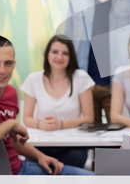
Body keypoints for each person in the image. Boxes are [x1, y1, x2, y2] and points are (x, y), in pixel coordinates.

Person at [0, 35, 93, 175]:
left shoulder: (10, 93)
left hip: (19, 169)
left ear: (14, 65)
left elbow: (9, 139)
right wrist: (10, 124)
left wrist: (40, 156)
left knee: (93, 178)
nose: (2, 70)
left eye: (8, 63)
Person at [21, 35, 95, 168]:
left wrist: (61, 124)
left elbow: (89, 118)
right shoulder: (33, 79)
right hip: (40, 145)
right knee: (32, 163)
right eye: (55, 52)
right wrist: (40, 124)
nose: (59, 57)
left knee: (75, 158)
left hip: (72, 146)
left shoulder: (81, 77)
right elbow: (26, 118)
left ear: (71, 56)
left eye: (65, 53)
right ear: (47, 54)